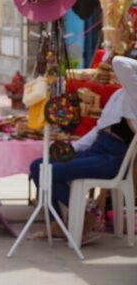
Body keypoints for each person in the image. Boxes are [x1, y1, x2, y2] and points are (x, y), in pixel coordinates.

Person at [29, 56, 137, 242]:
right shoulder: (121, 94)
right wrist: (74, 148)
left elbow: (119, 62)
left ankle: (88, 213)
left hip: (113, 158)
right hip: (96, 149)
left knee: (51, 172)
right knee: (39, 165)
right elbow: (99, 128)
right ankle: (62, 223)